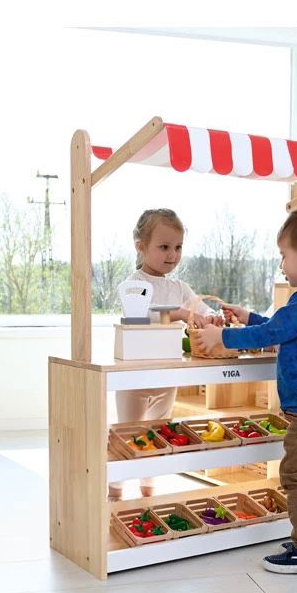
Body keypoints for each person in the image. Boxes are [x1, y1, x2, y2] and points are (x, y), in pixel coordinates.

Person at [192, 205, 297, 574]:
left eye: (283, 255)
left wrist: (221, 337)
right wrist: (248, 317)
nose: (282, 265)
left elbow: (273, 333)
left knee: (295, 476)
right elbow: (282, 327)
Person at [109, 208, 219, 501]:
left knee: (157, 435)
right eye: (164, 247)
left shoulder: (179, 287)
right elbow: (140, 316)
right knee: (128, 434)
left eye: (178, 247)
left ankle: (148, 492)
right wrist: (179, 313)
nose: (173, 255)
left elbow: (200, 308)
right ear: (141, 246)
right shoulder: (134, 284)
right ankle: (115, 492)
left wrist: (212, 318)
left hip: (167, 377)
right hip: (135, 378)